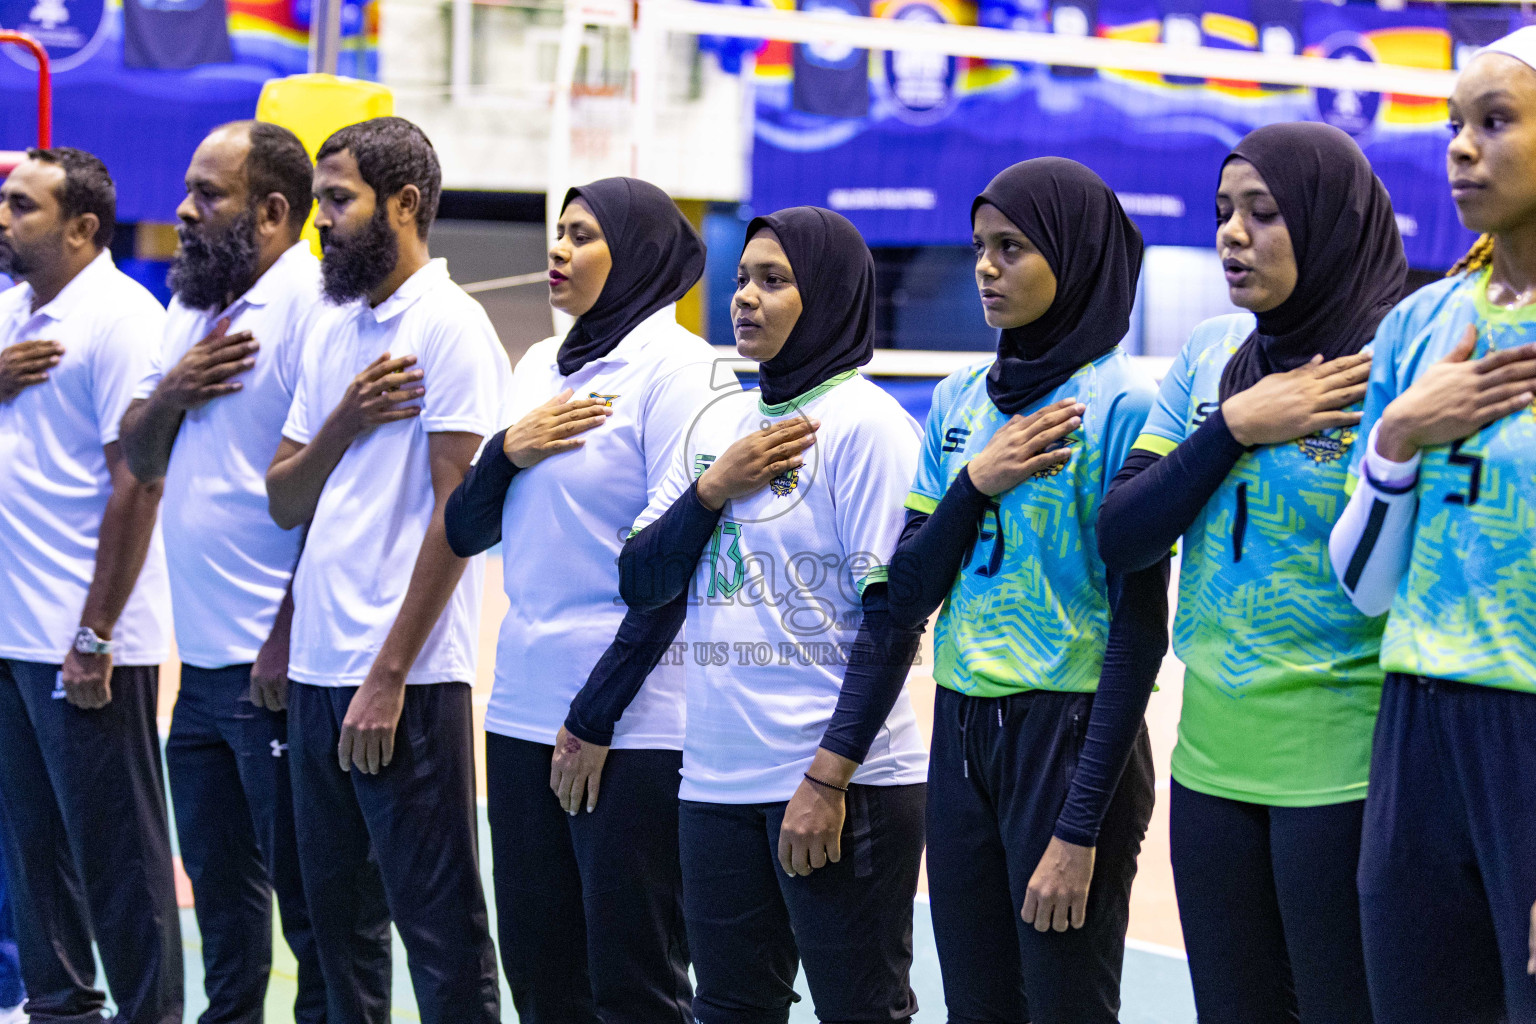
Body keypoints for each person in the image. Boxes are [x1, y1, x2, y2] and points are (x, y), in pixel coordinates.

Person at [1097, 122, 1407, 1023]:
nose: (1233, 232)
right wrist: (1234, 425)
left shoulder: (1389, 364)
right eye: (1225, 212)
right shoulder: (1209, 356)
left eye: (1264, 213)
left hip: (1343, 771)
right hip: (1212, 767)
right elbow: (1123, 533)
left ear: (1327, 222)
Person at [618, 206, 929, 1024]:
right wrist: (713, 488)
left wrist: (828, 778)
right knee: (727, 1009)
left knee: (861, 1010)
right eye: (745, 278)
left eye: (775, 281)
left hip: (839, 783)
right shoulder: (720, 425)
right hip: (715, 779)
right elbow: (641, 578)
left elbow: (893, 623)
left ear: (825, 295)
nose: (745, 298)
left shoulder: (868, 427)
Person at [887, 158, 1165, 1024]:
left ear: (1074, 257)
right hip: (964, 732)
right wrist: (974, 483)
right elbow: (907, 591)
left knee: (1065, 1009)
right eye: (978, 246)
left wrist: (1081, 825)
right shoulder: (960, 398)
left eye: (1012, 247)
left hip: (1071, 735)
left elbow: (1140, 626)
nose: (985, 266)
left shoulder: (1125, 404)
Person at [443, 176, 722, 1023]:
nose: (556, 249)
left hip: (630, 725)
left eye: (582, 235)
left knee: (635, 985)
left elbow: (675, 559)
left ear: (634, 255)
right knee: (541, 975)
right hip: (523, 709)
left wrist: (596, 719)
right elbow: (463, 527)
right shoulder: (538, 365)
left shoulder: (683, 371)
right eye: (557, 231)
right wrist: (506, 452)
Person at [265, 116, 508, 1024]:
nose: (321, 220)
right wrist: (344, 422)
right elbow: (285, 498)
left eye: (339, 200)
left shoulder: (452, 328)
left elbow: (459, 515)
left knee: (440, 936)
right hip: (322, 675)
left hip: (405, 683)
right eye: (320, 199)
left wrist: (387, 676)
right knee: (339, 935)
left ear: (403, 204)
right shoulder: (333, 325)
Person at [1329, 25, 1536, 1024]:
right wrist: (1400, 436)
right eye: (1456, 124)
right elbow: (1365, 586)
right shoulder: (1416, 328)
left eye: (1495, 122)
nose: (1460, 146)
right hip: (1417, 725)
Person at [119, 120, 333, 1024]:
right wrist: (174, 388)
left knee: (313, 908)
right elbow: (136, 450)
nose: (183, 207)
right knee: (221, 895)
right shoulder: (192, 308)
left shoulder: (316, 308)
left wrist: (284, 638)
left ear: (274, 212)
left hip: (274, 674)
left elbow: (336, 503)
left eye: (209, 194)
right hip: (200, 672)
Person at [0, 147, 181, 1024]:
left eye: (23, 207)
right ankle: (61, 1007)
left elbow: (137, 480)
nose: (3, 217)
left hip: (84, 640)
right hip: (9, 635)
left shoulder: (122, 320)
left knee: (120, 861)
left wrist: (96, 632)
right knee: (32, 848)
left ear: (82, 228)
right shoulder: (7, 314)